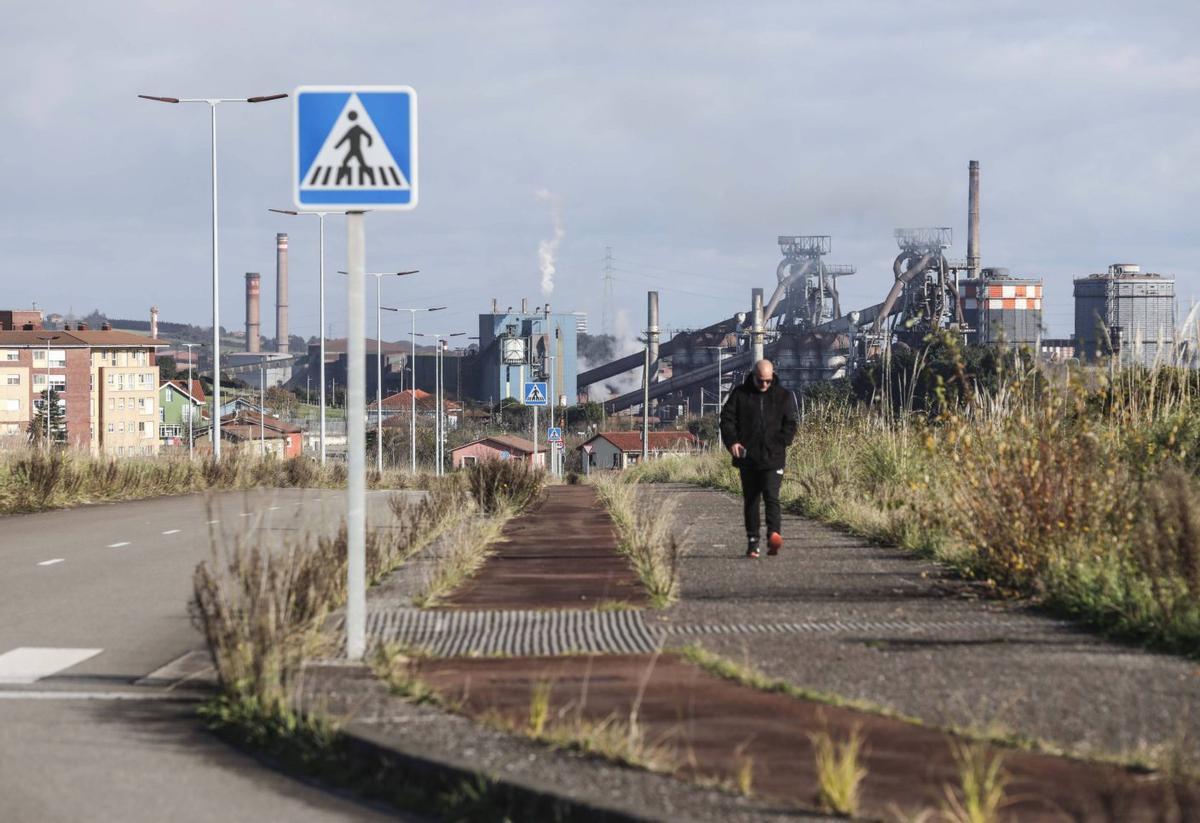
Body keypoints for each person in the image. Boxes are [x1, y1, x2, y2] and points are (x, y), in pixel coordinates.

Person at [719, 359, 799, 558]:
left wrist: (782, 441)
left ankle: (774, 535)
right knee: (752, 500)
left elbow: (790, 424)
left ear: (773, 378)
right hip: (748, 458)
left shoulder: (783, 396)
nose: (764, 385)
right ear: (753, 376)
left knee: (772, 496)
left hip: (774, 457)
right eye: (761, 381)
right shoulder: (740, 394)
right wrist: (732, 443)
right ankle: (753, 541)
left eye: (768, 381)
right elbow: (727, 420)